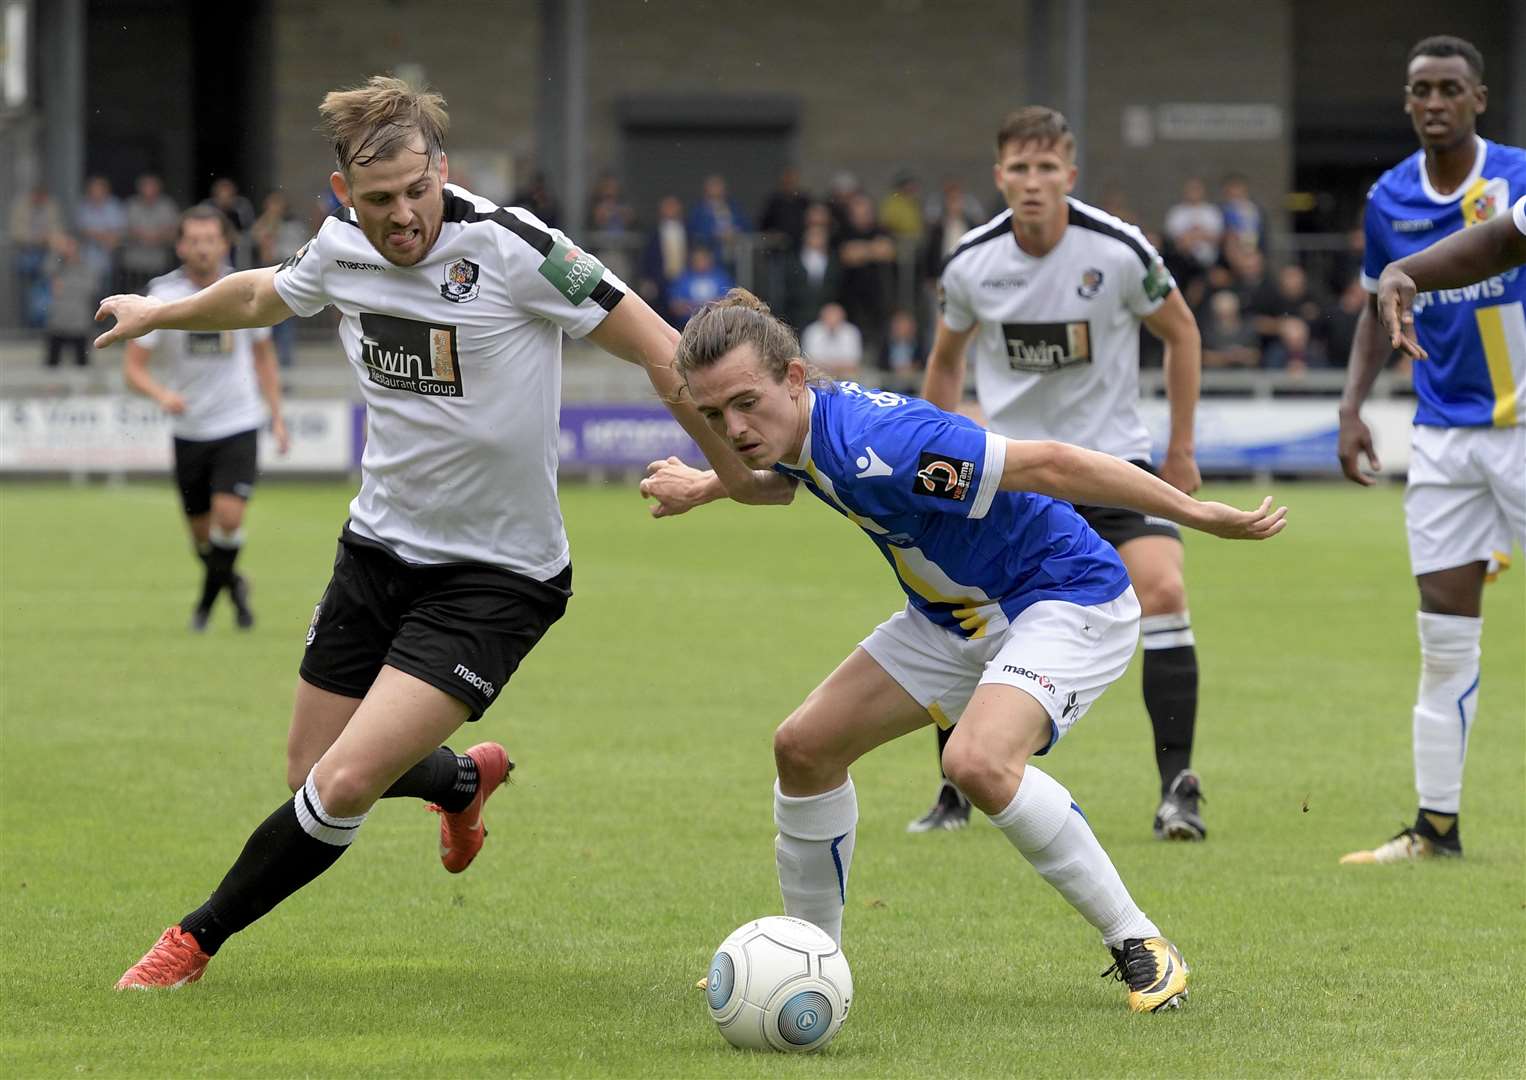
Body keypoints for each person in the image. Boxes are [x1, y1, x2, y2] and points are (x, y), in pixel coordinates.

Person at [98, 75, 763, 990]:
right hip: (377, 550)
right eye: (379, 200)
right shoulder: (338, 250)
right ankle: (458, 782)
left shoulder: (516, 245)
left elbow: (659, 345)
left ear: (440, 170)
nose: (403, 215)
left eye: (418, 190)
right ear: (344, 196)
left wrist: (724, 472)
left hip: (498, 576)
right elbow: (262, 296)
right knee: (310, 766)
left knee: (337, 789)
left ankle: (191, 943)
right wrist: (158, 310)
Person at [640, 289, 1286, 1011]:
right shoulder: (794, 428)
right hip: (956, 615)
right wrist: (707, 485)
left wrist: (1195, 512)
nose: (733, 428)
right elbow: (777, 487)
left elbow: (1054, 465)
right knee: (804, 748)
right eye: (712, 415)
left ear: (794, 378)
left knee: (977, 761)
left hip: (1063, 595)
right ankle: (805, 959)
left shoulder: (885, 446)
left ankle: (1139, 942)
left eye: (744, 404)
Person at [918, 107, 1209, 839]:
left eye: (1048, 168)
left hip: (1111, 462)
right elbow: (947, 361)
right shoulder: (971, 264)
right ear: (999, 177)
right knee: (972, 617)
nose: (1033, 182)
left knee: (1165, 588)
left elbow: (1181, 332)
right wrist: (929, 461)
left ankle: (1179, 788)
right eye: (1019, 167)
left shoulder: (1117, 250)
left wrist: (1180, 449)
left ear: (1069, 176)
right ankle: (953, 788)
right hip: (1011, 474)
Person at [1336, 36, 1526, 866]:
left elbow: (1492, 249)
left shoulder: (1516, 176)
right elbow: (1381, 298)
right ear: (1408, 102)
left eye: (1451, 88)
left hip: (1525, 428)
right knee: (1444, 636)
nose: (1436, 101)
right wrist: (1351, 407)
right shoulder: (1388, 197)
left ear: (1479, 98)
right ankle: (1435, 827)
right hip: (1444, 437)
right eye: (1422, 90)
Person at [121, 206, 289, 630]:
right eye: (192, 240)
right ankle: (235, 587)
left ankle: (204, 608)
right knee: (202, 538)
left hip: (238, 423)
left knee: (229, 519)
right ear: (180, 245)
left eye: (209, 240)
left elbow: (264, 358)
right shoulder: (161, 295)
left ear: (224, 243)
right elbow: (133, 368)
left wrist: (278, 415)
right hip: (188, 430)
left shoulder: (244, 288)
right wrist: (162, 394)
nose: (200, 248)